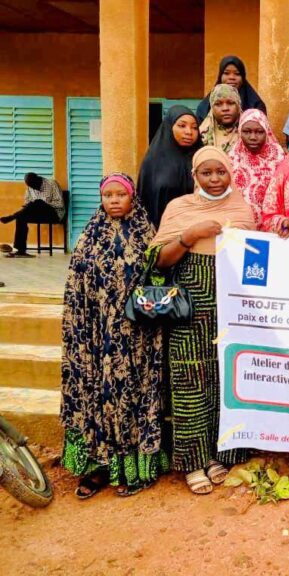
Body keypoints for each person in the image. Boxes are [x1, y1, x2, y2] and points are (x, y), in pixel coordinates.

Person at [150, 146, 256, 495]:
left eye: (220, 172)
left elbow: (257, 262)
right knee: (189, 379)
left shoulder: (241, 209)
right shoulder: (179, 208)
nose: (214, 179)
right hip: (189, 305)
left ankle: (219, 453)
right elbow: (160, 262)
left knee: (225, 377)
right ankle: (193, 460)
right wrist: (190, 235)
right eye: (206, 173)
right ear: (194, 176)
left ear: (230, 174)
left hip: (232, 306)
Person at [60, 173, 166, 499]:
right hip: (96, 337)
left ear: (132, 197)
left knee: (134, 395)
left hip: (137, 339)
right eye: (108, 195)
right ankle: (98, 468)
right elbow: (75, 288)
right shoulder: (89, 237)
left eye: (121, 194)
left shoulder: (146, 233)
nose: (115, 200)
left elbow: (158, 279)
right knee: (97, 396)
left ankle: (136, 471)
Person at [138, 105, 201, 228]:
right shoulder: (152, 162)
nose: (189, 132)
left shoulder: (202, 160)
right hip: (161, 232)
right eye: (182, 126)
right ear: (168, 127)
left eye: (194, 127)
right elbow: (143, 202)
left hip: (197, 233)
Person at [229, 108, 285, 227]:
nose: (253, 137)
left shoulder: (278, 155)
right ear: (239, 131)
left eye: (259, 132)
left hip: (271, 226)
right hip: (240, 225)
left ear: (267, 131)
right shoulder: (233, 156)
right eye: (247, 132)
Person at [0, 172, 64, 258]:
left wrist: (43, 204)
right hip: (38, 213)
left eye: (35, 186)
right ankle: (21, 251)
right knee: (21, 217)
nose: (34, 188)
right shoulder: (30, 187)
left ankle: (12, 216)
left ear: (38, 179)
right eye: (31, 187)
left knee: (38, 202)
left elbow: (60, 203)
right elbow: (27, 203)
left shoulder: (52, 184)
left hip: (54, 213)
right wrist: (32, 206)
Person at [196, 55, 266, 123]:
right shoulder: (205, 106)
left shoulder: (256, 105)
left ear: (243, 78)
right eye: (226, 73)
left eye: (237, 74)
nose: (231, 77)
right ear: (220, 76)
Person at [199, 84, 242, 154]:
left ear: (238, 106)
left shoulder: (250, 133)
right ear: (212, 108)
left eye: (231, 103)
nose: (225, 108)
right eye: (218, 104)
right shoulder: (201, 137)